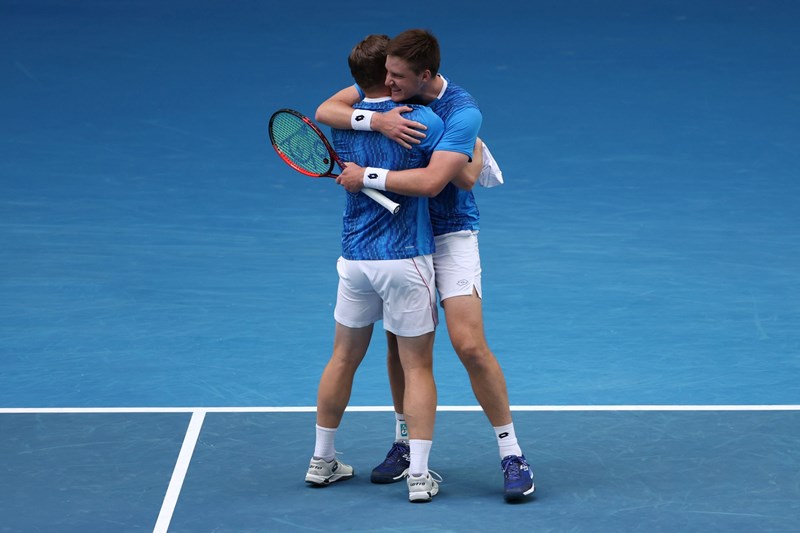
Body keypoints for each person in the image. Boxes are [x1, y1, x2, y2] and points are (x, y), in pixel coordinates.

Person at [316, 29, 535, 502]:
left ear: (425, 76)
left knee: (469, 345)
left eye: (397, 78)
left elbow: (449, 180)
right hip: (401, 241)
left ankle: (511, 452)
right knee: (399, 348)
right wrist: (377, 124)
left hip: (450, 233)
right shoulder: (394, 87)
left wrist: (368, 174)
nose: (385, 85)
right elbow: (326, 111)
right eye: (386, 75)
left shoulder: (461, 111)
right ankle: (404, 442)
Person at [303, 34, 446, 503]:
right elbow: (449, 173)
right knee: (418, 365)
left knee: (342, 358)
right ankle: (420, 475)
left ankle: (322, 460)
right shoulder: (422, 120)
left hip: (355, 262)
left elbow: (327, 107)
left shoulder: (342, 125)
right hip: (406, 261)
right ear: (389, 72)